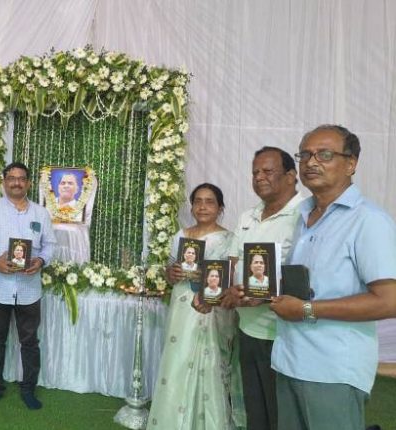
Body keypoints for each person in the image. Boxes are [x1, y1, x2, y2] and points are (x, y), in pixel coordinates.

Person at [269, 125, 396, 430]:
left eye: (324, 154)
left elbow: (389, 301)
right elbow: (310, 286)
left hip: (332, 371)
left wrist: (306, 310)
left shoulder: (368, 220)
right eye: (305, 155)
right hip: (290, 360)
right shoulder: (304, 216)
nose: (311, 162)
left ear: (351, 164)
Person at [147, 183, 243, 429]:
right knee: (178, 357)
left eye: (209, 201)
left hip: (211, 308)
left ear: (220, 208)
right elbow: (171, 273)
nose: (202, 206)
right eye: (197, 201)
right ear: (191, 207)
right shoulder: (181, 236)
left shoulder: (229, 239)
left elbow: (232, 278)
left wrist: (209, 276)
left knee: (209, 362)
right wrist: (171, 273)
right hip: (181, 305)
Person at [221, 146, 303, 430]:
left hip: (284, 333)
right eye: (255, 172)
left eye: (267, 171)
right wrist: (229, 291)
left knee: (282, 413)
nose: (258, 177)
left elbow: (309, 275)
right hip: (247, 328)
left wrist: (266, 295)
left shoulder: (305, 215)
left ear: (291, 176)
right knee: (255, 410)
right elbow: (233, 263)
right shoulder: (248, 216)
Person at [0, 162, 56, 410]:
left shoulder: (41, 214)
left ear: (28, 183)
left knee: (30, 342)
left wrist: (40, 261)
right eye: (11, 178)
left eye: (21, 178)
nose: (16, 182)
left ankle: (28, 389)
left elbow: (50, 244)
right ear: (4, 182)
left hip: (29, 289)